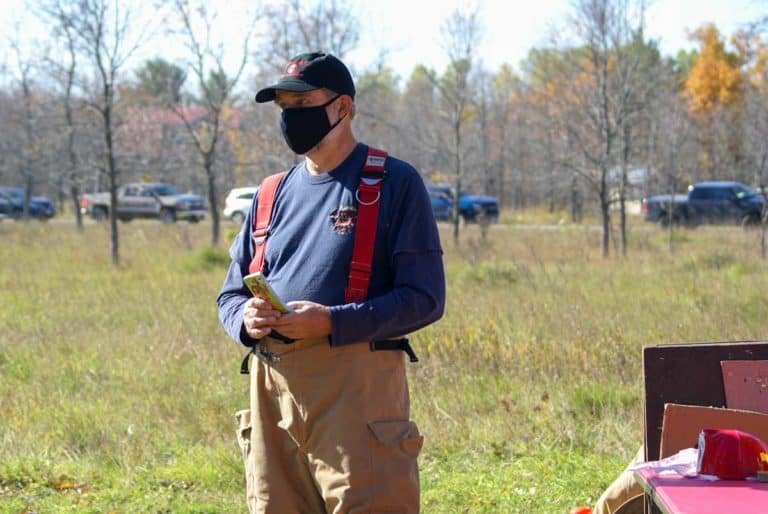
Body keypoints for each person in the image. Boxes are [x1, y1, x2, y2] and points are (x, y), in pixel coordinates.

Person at [217, 51, 445, 514]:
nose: (291, 118)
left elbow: (425, 299)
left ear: (342, 107)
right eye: (285, 107)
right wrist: (245, 318)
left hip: (355, 398)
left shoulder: (394, 183)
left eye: (303, 104)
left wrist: (331, 321)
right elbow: (229, 295)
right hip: (272, 392)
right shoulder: (269, 194)